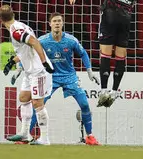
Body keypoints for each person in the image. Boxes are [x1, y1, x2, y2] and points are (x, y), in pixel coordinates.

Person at [11, 12, 101, 145]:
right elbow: (26, 52)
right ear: (50, 24)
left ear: (63, 23)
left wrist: (89, 71)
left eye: (59, 21)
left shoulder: (71, 40)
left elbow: (83, 53)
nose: (57, 23)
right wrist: (19, 68)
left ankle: (90, 136)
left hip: (69, 77)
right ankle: (26, 136)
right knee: (38, 105)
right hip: (50, 77)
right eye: (54, 21)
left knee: (84, 104)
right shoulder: (43, 40)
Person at [68, 0, 143, 108]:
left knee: (106, 54)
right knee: (121, 56)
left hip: (110, 15)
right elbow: (132, 3)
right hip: (126, 18)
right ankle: (115, 91)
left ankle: (103, 90)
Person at [0, 5, 54, 146]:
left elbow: (35, 42)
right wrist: (12, 61)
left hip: (38, 71)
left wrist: (43, 61)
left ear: (0, 20)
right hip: (29, 71)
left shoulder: (16, 31)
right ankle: (24, 133)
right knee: (24, 97)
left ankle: (45, 138)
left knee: (37, 103)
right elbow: (25, 50)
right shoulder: (19, 25)